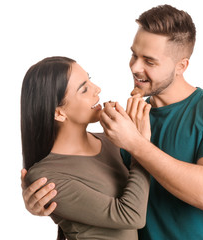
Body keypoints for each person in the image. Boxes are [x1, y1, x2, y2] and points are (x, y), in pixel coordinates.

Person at [21, 5, 203, 240]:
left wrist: (136, 144)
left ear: (181, 66)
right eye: (134, 55)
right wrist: (41, 200)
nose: (135, 67)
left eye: (149, 61)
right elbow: (91, 188)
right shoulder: (124, 124)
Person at [21, 56, 151, 240]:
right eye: (84, 89)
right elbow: (131, 216)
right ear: (59, 113)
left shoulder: (111, 140)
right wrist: (140, 146)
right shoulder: (46, 176)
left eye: (90, 79)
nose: (97, 89)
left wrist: (136, 143)